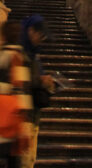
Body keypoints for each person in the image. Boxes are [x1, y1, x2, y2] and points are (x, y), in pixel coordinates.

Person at [0, 21, 33, 168]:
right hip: (14, 117)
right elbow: (23, 90)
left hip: (0, 115)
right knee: (12, 160)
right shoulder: (22, 57)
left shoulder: (2, 56)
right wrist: (25, 121)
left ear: (3, 35)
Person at [20, 15, 55, 168]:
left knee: (29, 160)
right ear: (30, 31)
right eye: (40, 35)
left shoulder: (34, 54)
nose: (42, 39)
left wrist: (46, 82)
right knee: (24, 159)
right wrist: (39, 81)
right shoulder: (19, 53)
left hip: (33, 114)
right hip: (22, 116)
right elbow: (18, 82)